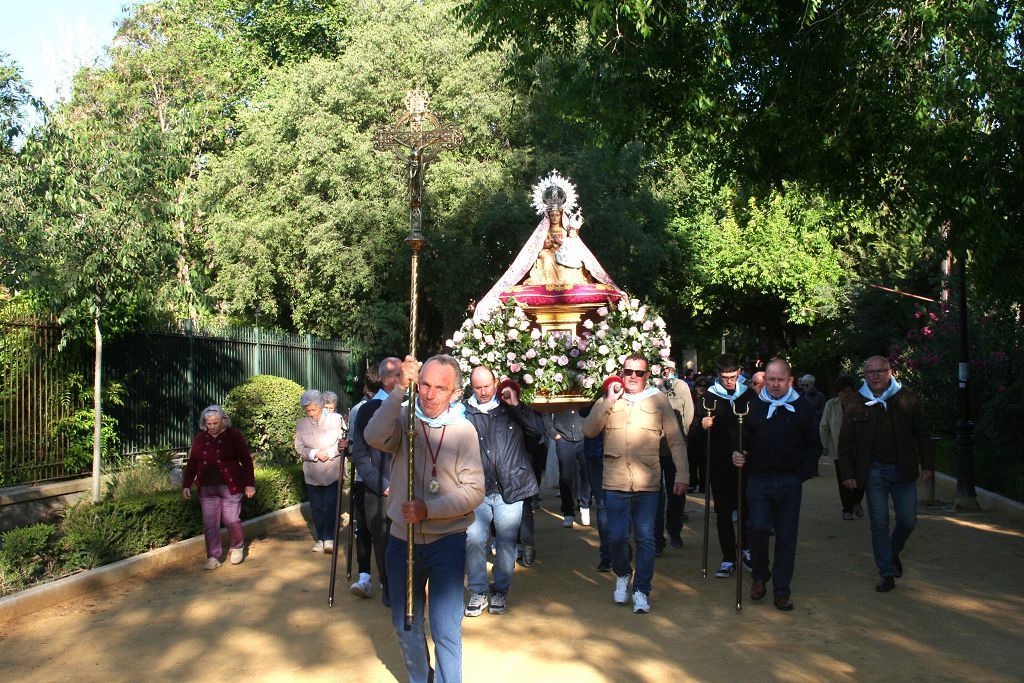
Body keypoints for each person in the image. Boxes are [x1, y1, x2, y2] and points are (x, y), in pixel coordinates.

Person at [365, 354, 485, 683]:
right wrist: (399, 390)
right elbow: (373, 436)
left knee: (446, 630)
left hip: (447, 541)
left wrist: (429, 509)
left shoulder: (464, 431)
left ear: (455, 392)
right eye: (425, 386)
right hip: (403, 541)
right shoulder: (403, 419)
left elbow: (474, 490)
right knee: (406, 627)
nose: (429, 395)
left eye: (440, 388)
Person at [583, 355, 688, 614]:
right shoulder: (609, 398)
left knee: (646, 538)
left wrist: (683, 474)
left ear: (646, 376)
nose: (632, 377)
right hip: (615, 481)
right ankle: (622, 574)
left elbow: (675, 440)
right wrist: (608, 401)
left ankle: (642, 589)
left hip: (647, 482)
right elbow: (589, 430)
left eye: (638, 373)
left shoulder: (658, 400)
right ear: (622, 372)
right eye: (628, 371)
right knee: (615, 537)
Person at [837, 356, 934, 593]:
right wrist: (848, 472)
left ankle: (891, 553)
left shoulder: (907, 398)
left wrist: (928, 464)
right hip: (874, 471)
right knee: (879, 522)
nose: (876, 376)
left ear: (891, 372)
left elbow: (921, 432)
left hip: (903, 469)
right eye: (871, 372)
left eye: (881, 371)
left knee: (908, 519)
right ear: (865, 375)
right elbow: (845, 440)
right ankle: (886, 572)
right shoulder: (855, 401)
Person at [731, 359, 821, 611]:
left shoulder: (802, 408)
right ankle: (760, 574)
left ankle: (782, 590)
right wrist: (736, 453)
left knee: (786, 536)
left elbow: (814, 445)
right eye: (770, 379)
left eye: (780, 380)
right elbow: (739, 440)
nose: (775, 384)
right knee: (757, 528)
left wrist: (800, 474)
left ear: (790, 381)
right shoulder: (752, 407)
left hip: (790, 481)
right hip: (758, 479)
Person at [463, 368, 543, 616]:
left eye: (487, 386)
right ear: (471, 387)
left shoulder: (512, 408)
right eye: (478, 387)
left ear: (495, 384)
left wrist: (516, 405)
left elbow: (538, 431)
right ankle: (478, 590)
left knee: (507, 542)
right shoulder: (464, 412)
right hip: (477, 488)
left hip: (512, 485)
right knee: (474, 539)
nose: (484, 392)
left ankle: (500, 590)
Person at [689, 354, 754, 578]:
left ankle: (745, 549)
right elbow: (694, 435)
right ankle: (728, 557)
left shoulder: (749, 395)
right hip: (718, 463)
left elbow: (755, 430)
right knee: (723, 511)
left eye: (733, 376)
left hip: (745, 462)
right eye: (725, 377)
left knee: (746, 509)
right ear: (718, 375)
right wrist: (702, 425)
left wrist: (746, 451)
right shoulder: (708, 399)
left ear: (739, 373)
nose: (729, 381)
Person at [350, 358, 401, 603]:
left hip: (408, 488)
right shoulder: (368, 409)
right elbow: (360, 454)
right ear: (382, 378)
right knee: (383, 541)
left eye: (401, 373)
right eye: (393, 375)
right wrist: (383, 485)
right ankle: (388, 586)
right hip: (379, 488)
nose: (399, 379)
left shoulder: (414, 405)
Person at [182, 405, 256, 569]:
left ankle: (237, 546)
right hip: (207, 489)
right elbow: (193, 462)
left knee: (231, 520)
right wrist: (186, 484)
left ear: (223, 421)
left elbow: (246, 460)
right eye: (209, 424)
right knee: (210, 524)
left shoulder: (234, 436)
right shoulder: (200, 438)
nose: (213, 427)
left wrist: (249, 483)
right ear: (205, 423)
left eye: (216, 423)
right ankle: (213, 556)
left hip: (231, 487)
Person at [294, 389, 345, 553]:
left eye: (313, 409)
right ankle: (320, 538)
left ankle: (329, 537)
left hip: (332, 469)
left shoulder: (336, 419)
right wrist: (315, 453)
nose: (310, 413)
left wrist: (329, 453)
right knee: (316, 507)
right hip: (312, 471)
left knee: (330, 505)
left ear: (321, 406)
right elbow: (299, 446)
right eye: (307, 410)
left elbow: (343, 442)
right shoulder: (301, 424)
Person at [656, 369, 694, 552]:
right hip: (652, 448)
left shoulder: (681, 387)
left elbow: (688, 416)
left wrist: (681, 441)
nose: (666, 372)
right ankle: (657, 538)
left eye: (669, 369)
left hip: (674, 448)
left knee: (676, 492)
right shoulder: (650, 387)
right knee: (654, 495)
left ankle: (674, 530)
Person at [819, 375, 863, 520]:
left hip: (858, 448)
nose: (845, 394)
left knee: (861, 478)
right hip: (839, 449)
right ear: (838, 392)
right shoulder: (831, 405)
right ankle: (847, 508)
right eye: (842, 391)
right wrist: (824, 445)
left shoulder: (861, 404)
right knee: (843, 479)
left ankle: (857, 500)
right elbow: (824, 426)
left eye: (849, 391)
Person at [544, 408, 590, 527]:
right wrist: (554, 433)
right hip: (564, 437)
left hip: (584, 436)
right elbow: (545, 412)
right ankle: (568, 512)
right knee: (565, 476)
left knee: (587, 473)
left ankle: (585, 506)